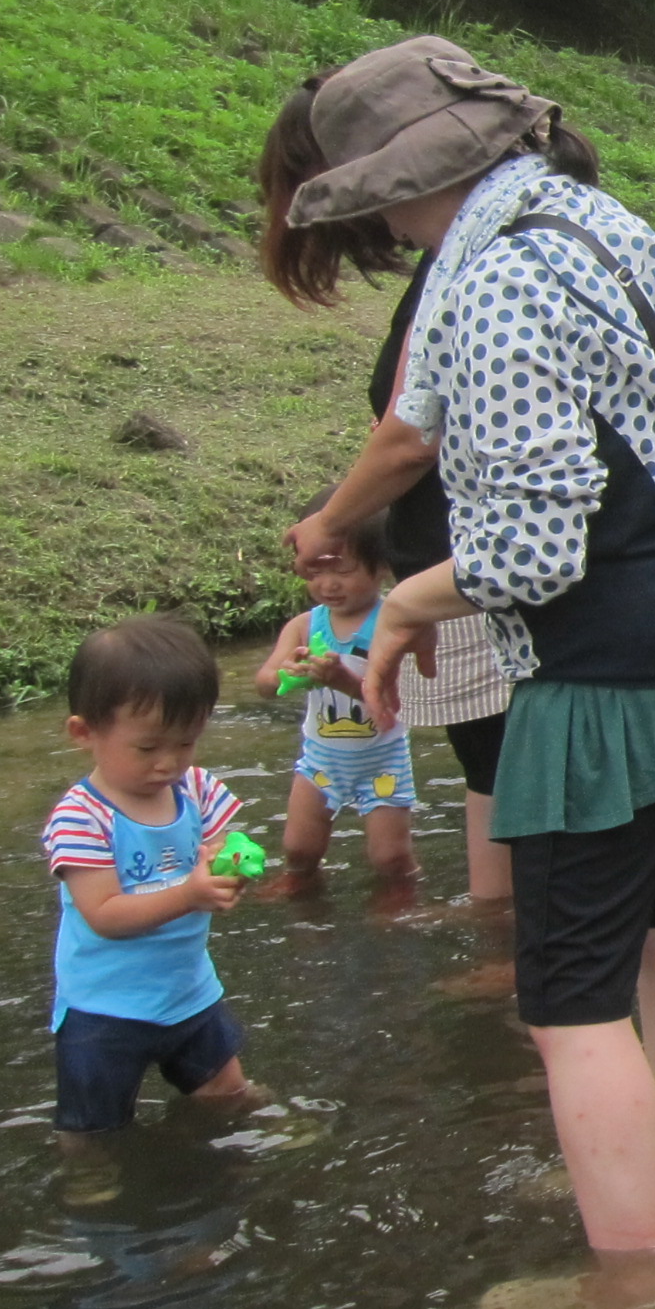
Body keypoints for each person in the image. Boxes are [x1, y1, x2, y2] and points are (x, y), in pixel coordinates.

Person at [302, 37, 655, 1309]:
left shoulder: (492, 281)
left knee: (568, 1004)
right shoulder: (607, 226)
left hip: (600, 681)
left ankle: (630, 1280)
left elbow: (531, 552)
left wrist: (397, 602)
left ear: (402, 186)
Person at [260, 79, 514, 907]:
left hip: (477, 562)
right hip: (468, 562)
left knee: (497, 755)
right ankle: (496, 925)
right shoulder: (471, 255)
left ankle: (499, 934)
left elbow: (412, 434)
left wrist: (332, 519)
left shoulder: (465, 265)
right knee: (493, 757)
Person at [42, 618, 266, 1200]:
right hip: (105, 1008)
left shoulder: (194, 788)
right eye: (147, 747)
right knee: (95, 1127)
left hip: (188, 991)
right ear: (83, 732)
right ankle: (86, 1172)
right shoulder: (81, 817)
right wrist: (191, 893)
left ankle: (248, 1128)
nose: (169, 762)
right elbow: (104, 914)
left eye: (186, 742)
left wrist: (230, 864)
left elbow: (222, 842)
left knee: (227, 1089)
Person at [257, 500, 418, 897]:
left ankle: (402, 896)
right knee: (298, 848)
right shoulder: (303, 626)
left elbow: (399, 703)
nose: (328, 584)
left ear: (381, 566)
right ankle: (300, 884)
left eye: (342, 569)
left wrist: (343, 679)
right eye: (316, 570)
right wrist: (287, 674)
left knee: (390, 858)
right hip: (321, 758)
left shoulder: (392, 623)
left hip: (382, 758)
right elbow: (263, 681)